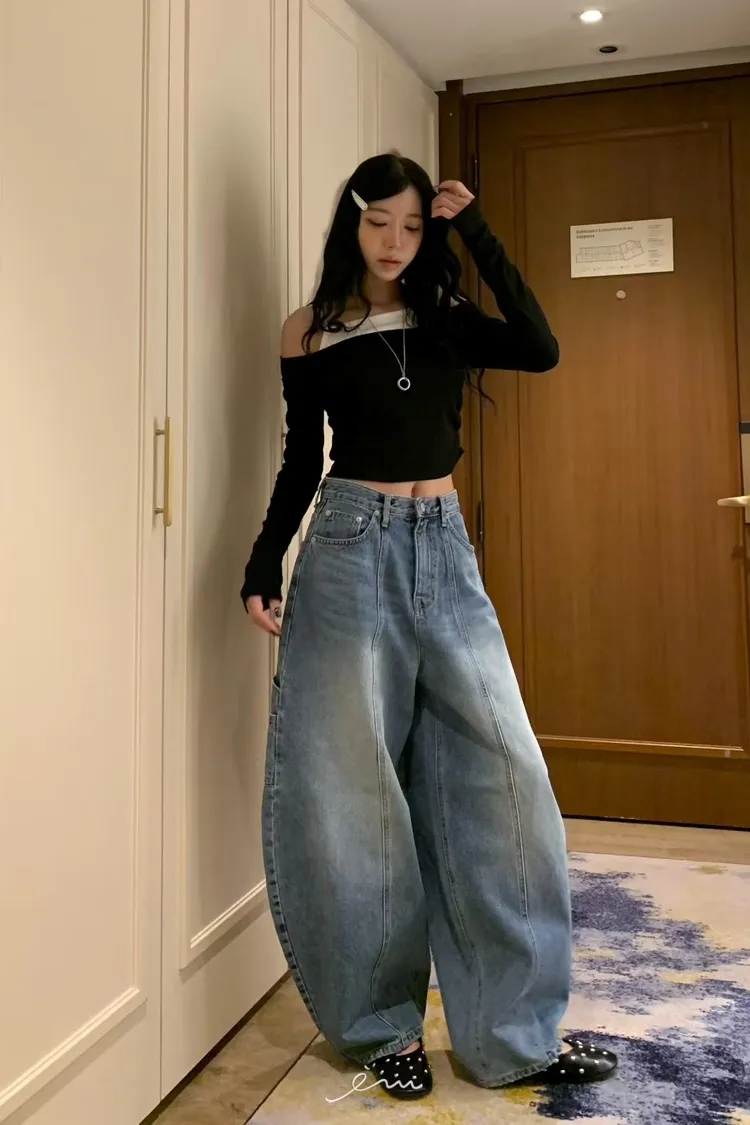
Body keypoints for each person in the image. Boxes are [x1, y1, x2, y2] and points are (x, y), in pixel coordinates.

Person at [241, 153, 617, 1100]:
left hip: (442, 544)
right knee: (351, 789)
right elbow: (301, 461)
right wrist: (261, 562)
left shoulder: (444, 316)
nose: (395, 243)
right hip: (347, 548)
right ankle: (383, 1027)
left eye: (413, 226)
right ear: (352, 222)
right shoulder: (309, 331)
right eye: (380, 224)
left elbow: (540, 346)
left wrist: (473, 229)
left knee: (506, 774)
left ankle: (513, 1034)